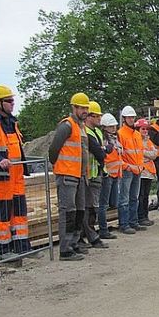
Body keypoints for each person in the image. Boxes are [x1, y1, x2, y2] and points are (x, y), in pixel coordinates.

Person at [0, 85, 36, 259]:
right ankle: (4, 251)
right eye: (9, 101)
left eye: (12, 100)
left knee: (19, 213)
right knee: (1, 215)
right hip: (0, 179)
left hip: (16, 176)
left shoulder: (12, 122)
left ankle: (22, 247)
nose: (12, 103)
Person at [48, 93, 91, 261]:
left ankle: (74, 243)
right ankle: (65, 250)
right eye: (82, 108)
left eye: (86, 108)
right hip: (67, 175)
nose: (85, 111)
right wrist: (58, 166)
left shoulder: (81, 127)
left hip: (79, 175)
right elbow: (53, 149)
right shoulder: (67, 125)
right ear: (74, 108)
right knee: (68, 212)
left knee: (79, 211)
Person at [80, 101, 109, 249]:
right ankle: (90, 237)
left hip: (96, 172)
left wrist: (103, 150)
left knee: (91, 207)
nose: (99, 119)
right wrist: (104, 149)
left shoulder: (96, 131)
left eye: (99, 116)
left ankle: (87, 237)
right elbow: (99, 152)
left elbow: (102, 151)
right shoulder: (86, 132)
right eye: (96, 116)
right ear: (89, 117)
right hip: (88, 175)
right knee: (89, 208)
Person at [117, 105, 145, 235]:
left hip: (137, 170)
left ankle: (133, 222)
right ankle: (124, 224)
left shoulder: (137, 134)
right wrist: (127, 166)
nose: (131, 119)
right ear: (124, 118)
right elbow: (119, 155)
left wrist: (140, 166)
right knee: (124, 198)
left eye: (133, 117)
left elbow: (140, 152)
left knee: (134, 197)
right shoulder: (120, 134)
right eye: (129, 117)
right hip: (127, 170)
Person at [98, 113, 122, 240]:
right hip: (107, 174)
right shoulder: (104, 139)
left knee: (114, 202)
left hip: (116, 174)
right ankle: (103, 230)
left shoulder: (115, 139)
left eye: (114, 126)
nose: (114, 128)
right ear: (105, 127)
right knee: (103, 204)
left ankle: (107, 226)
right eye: (111, 126)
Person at [135, 118, 157, 227]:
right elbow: (139, 153)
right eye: (143, 129)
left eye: (146, 129)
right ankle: (140, 217)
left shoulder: (148, 141)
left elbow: (154, 154)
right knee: (141, 196)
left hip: (149, 173)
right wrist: (147, 154)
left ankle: (145, 216)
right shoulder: (136, 140)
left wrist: (145, 154)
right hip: (141, 172)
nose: (145, 131)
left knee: (145, 196)